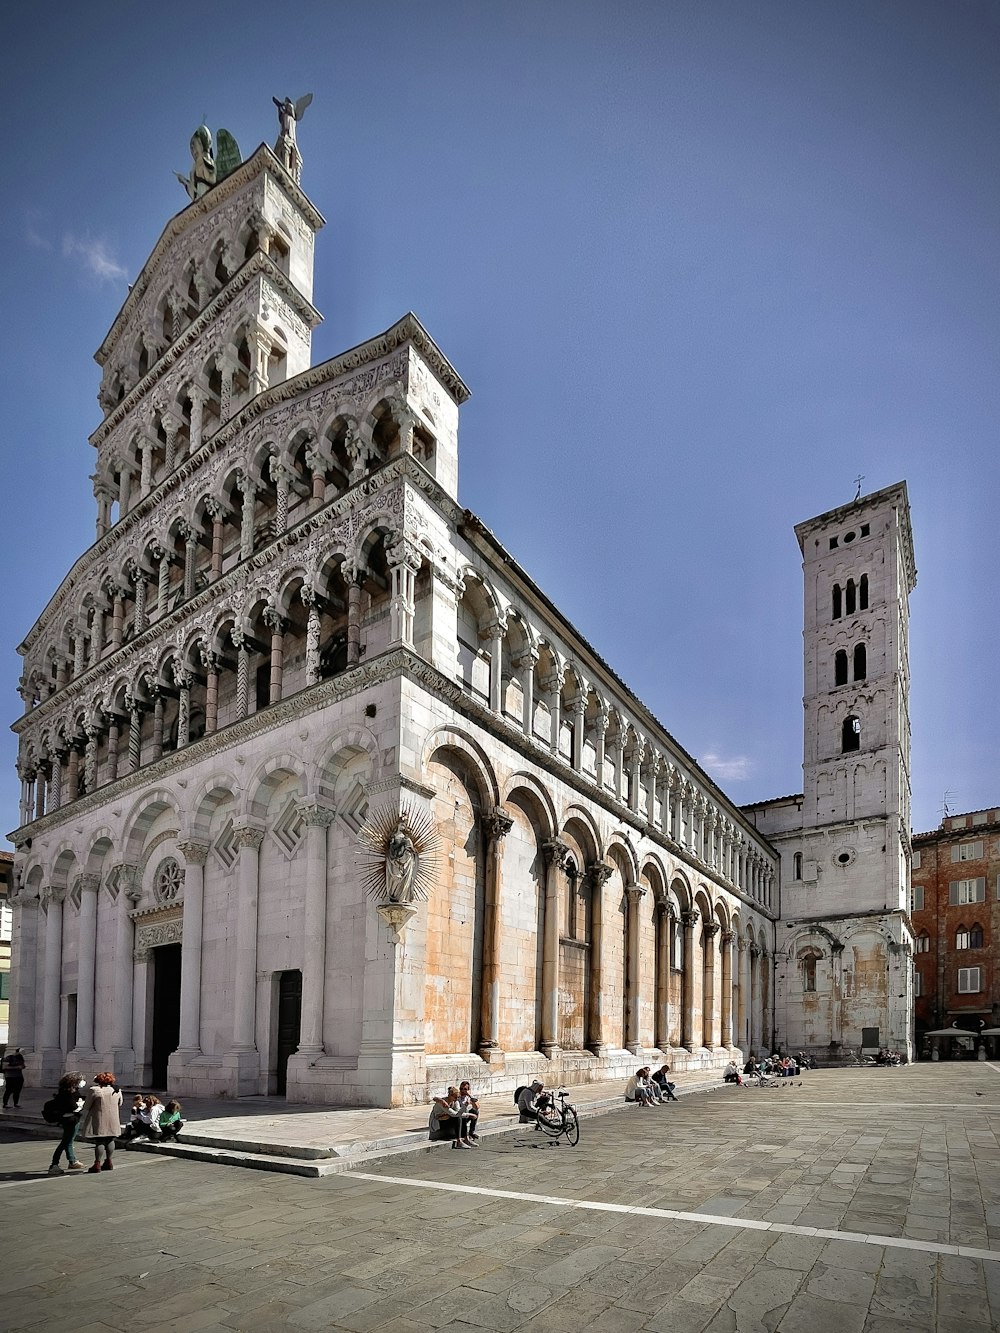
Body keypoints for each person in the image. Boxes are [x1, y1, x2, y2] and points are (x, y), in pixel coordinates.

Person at [79, 1072, 123, 1172]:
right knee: (111, 1139)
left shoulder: (95, 1090)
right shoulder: (116, 1090)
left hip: (99, 1118)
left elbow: (87, 1106)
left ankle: (97, 1163)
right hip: (113, 1118)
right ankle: (109, 1161)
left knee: (100, 1140)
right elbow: (120, 1103)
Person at [47, 1072, 87, 1174]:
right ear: (75, 1081)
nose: (83, 1082)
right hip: (70, 1120)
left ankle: (72, 1161)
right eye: (81, 1080)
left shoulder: (69, 1091)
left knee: (69, 1141)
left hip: (71, 1119)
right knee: (65, 1142)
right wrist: (80, 1106)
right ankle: (54, 1164)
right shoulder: (68, 1093)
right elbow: (72, 1106)